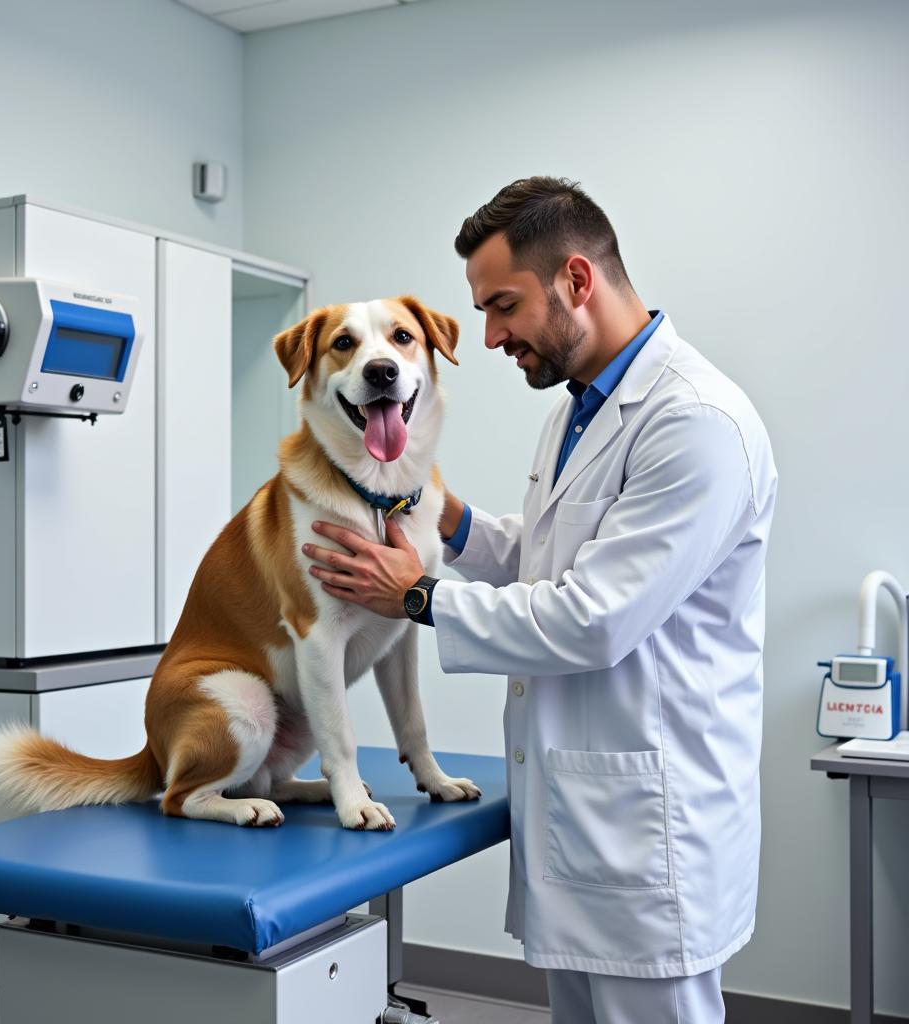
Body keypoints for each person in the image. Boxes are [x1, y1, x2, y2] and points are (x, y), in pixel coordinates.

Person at [302, 176, 777, 1024]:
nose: (487, 337)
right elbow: (550, 557)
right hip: (588, 822)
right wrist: (448, 517)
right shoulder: (580, 410)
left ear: (577, 282)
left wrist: (415, 596)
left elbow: (593, 619)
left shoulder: (696, 423)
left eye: (503, 306)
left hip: (650, 831)